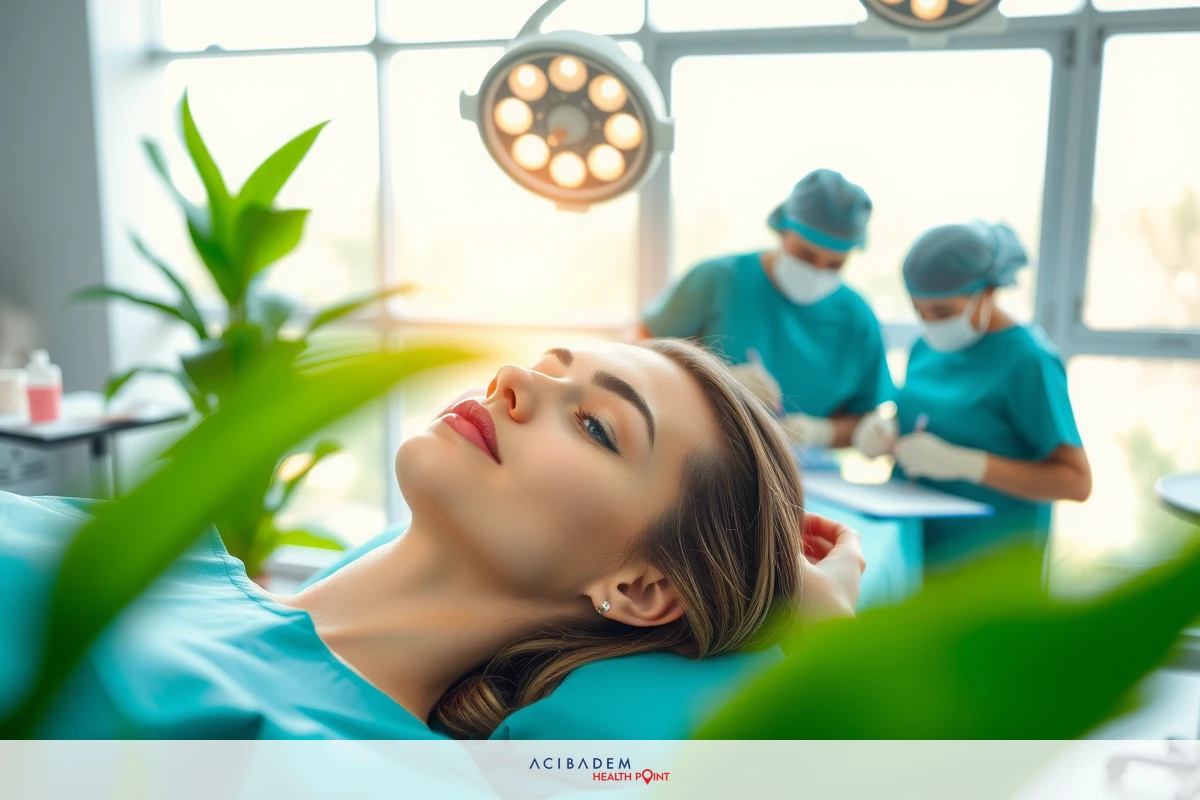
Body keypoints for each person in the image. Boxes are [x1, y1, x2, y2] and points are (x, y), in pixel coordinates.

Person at [0, 339, 866, 740]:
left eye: (598, 426)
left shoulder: (356, 765)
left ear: (639, 589)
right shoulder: (150, 557)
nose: (517, 380)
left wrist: (825, 636)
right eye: (547, 366)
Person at [852, 221, 1092, 570]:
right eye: (919, 311)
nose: (930, 322)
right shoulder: (926, 347)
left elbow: (1076, 482)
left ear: (988, 292)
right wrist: (884, 428)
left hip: (987, 563)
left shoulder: (1029, 361)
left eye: (943, 311)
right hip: (915, 545)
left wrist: (970, 465)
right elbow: (933, 417)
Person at [637, 169, 893, 449]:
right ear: (782, 229)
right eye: (805, 254)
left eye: (834, 265)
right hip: (702, 457)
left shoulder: (858, 320)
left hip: (805, 475)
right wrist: (715, 386)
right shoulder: (718, 280)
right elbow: (637, 360)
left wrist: (821, 432)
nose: (817, 271)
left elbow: (864, 420)